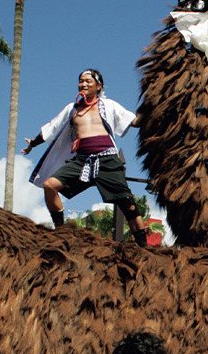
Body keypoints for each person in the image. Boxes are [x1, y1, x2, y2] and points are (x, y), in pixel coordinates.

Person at [22, 68, 150, 245]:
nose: (83, 84)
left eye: (88, 81)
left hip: (108, 159)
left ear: (99, 85)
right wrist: (33, 143)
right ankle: (60, 232)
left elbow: (134, 121)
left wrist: (151, 103)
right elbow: (51, 128)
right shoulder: (72, 109)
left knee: (128, 205)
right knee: (49, 185)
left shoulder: (109, 105)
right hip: (82, 161)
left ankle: (143, 248)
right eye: (81, 81)